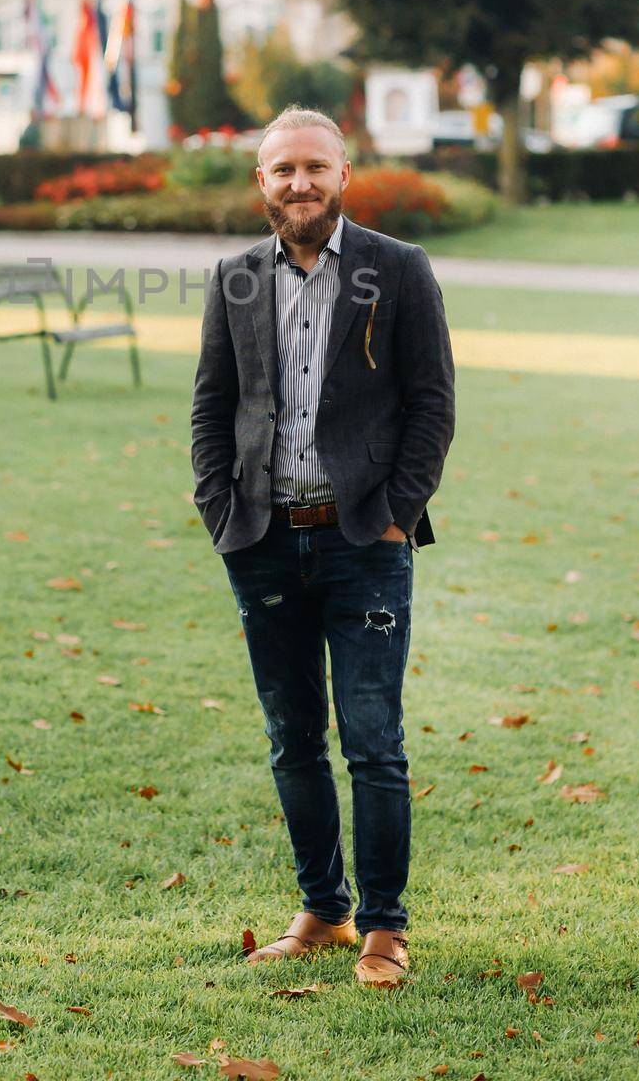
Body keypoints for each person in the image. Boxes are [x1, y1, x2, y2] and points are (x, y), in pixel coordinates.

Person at [191, 106, 456, 987]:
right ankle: (322, 912)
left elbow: (430, 404)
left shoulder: (398, 269)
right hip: (264, 541)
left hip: (363, 545)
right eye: (281, 171)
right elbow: (210, 409)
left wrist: (392, 514)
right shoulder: (233, 279)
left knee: (373, 741)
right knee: (291, 738)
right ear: (260, 184)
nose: (298, 183)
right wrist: (221, 513)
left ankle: (383, 927)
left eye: (314, 167)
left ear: (343, 174)